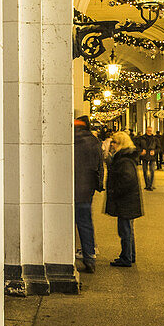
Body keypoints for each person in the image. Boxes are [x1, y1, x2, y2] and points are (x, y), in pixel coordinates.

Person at [104, 131, 143, 267]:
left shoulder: (124, 160)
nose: (112, 144)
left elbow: (127, 179)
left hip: (125, 200)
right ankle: (129, 255)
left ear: (119, 144)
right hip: (128, 200)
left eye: (114, 142)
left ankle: (126, 257)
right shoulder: (125, 158)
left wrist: (115, 191)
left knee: (125, 230)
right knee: (128, 229)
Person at [74, 115, 105, 274]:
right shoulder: (94, 142)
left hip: (70, 189)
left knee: (66, 224)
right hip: (86, 190)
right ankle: (89, 257)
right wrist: (98, 185)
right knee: (85, 224)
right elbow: (100, 166)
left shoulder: (70, 140)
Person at [137, 126, 161, 190]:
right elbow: (137, 146)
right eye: (148, 131)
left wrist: (155, 151)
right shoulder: (142, 138)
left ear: (152, 131)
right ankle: (147, 184)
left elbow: (159, 148)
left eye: (150, 131)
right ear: (146, 131)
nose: (149, 132)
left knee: (152, 170)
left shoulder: (155, 139)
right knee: (145, 171)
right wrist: (141, 151)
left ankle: (150, 185)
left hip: (152, 157)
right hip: (144, 156)